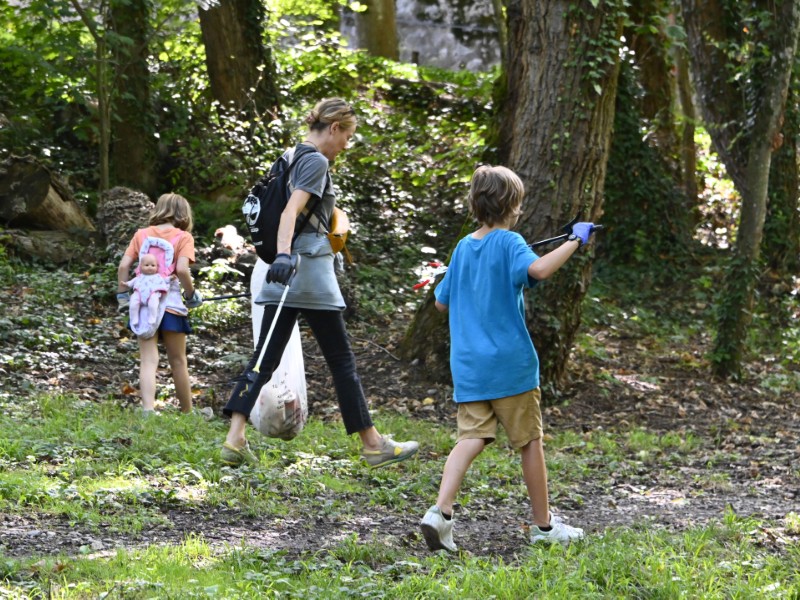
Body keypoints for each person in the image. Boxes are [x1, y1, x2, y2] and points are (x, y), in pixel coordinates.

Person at [220, 97, 419, 468]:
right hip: (306, 269)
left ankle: (235, 437)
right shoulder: (314, 161)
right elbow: (289, 211)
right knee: (341, 360)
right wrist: (282, 254)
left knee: (264, 358)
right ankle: (373, 444)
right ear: (334, 127)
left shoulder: (291, 155)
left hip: (286, 273)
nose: (347, 144)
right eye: (347, 135)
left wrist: (281, 257)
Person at [420, 165, 594, 551]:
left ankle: (440, 512)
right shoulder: (511, 241)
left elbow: (440, 303)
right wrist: (575, 241)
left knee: (471, 437)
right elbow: (540, 269)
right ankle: (544, 528)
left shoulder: (464, 247)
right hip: (510, 366)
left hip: (469, 367)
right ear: (512, 205)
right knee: (530, 442)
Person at [116, 193, 203, 415]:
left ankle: (147, 410)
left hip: (144, 304)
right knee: (178, 360)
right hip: (172, 303)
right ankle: (187, 412)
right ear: (184, 214)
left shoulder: (141, 235)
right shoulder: (183, 237)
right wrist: (191, 295)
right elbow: (182, 270)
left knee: (148, 359)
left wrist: (123, 295)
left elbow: (123, 266)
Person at [125, 253, 169, 327]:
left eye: (153, 265)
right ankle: (134, 318)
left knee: (154, 303)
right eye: (147, 265)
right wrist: (126, 284)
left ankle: (152, 317)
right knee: (133, 302)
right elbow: (131, 282)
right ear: (141, 267)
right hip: (139, 293)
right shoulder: (139, 277)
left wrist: (170, 279)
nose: (150, 267)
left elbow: (165, 280)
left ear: (157, 267)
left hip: (151, 293)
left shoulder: (157, 276)